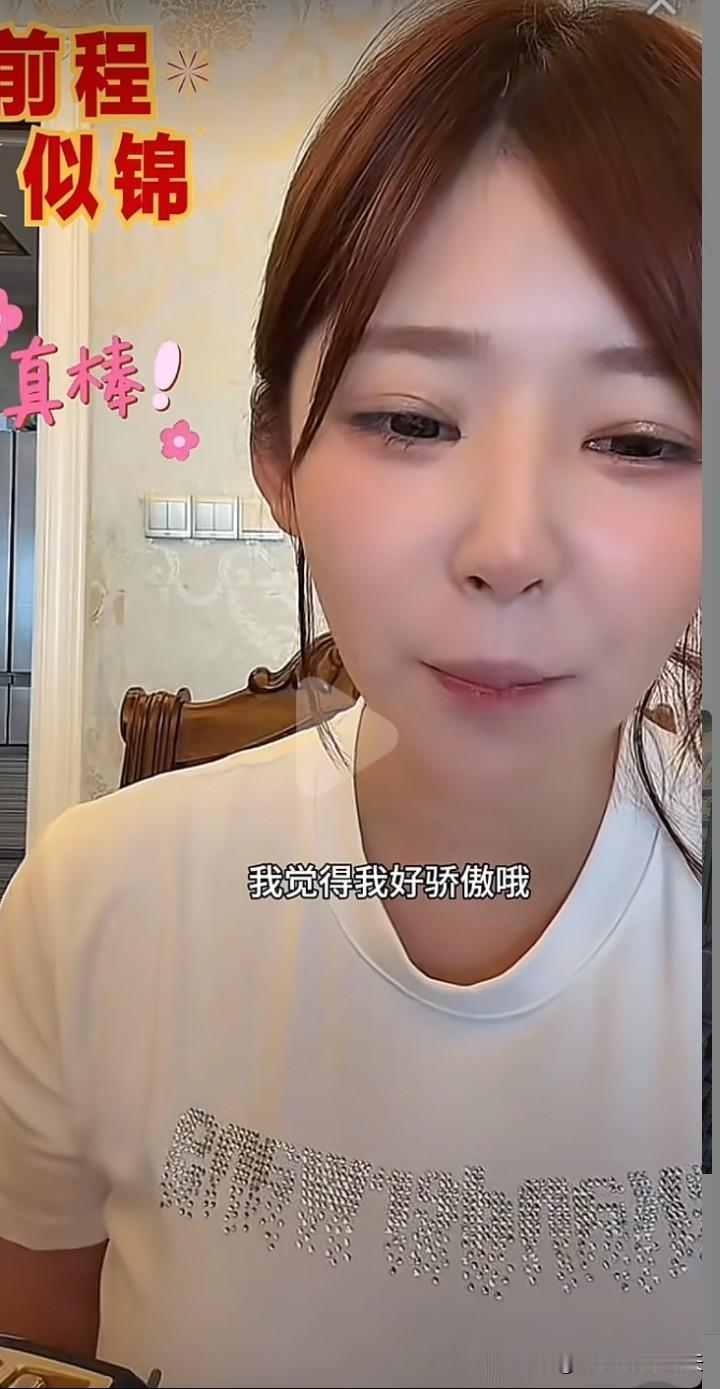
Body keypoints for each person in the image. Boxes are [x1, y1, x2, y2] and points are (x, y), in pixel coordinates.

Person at [0, 1, 703, 1386]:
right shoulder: (96, 912)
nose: (510, 547)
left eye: (637, 437)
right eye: (412, 419)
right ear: (279, 459)